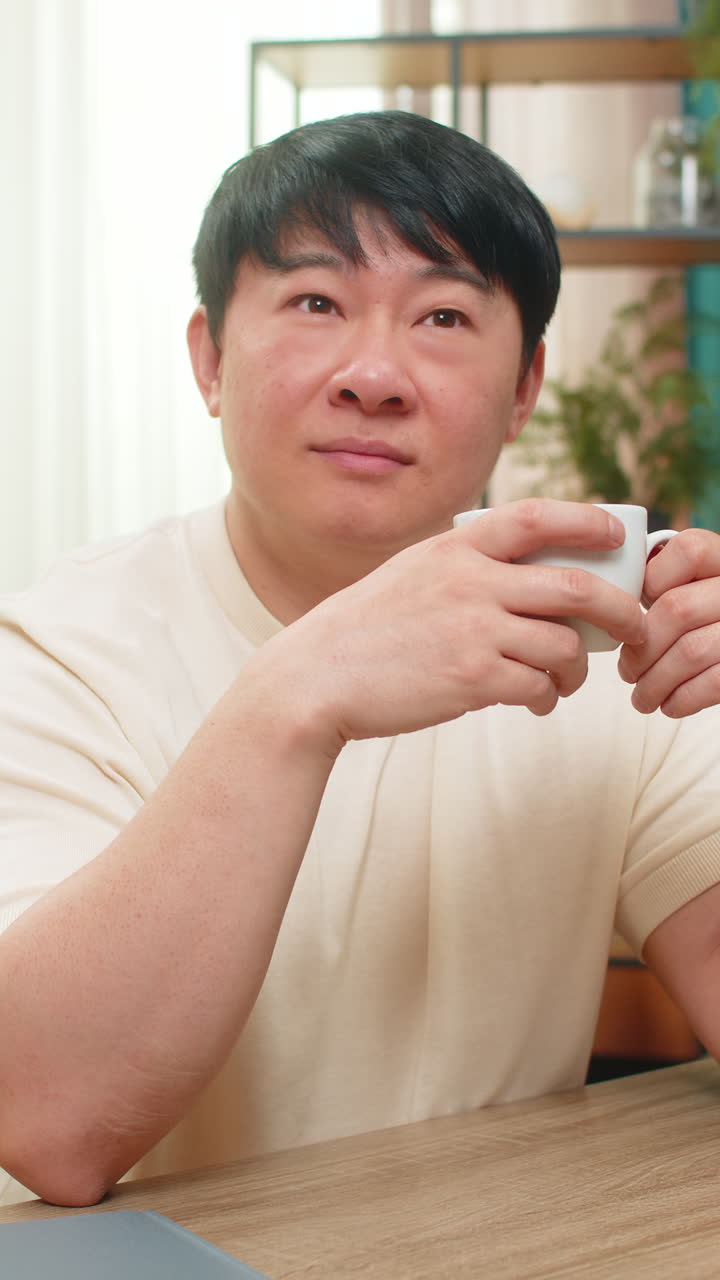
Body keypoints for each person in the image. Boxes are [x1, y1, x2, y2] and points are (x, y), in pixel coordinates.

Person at [1, 109, 720, 1210]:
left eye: (442, 315)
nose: (375, 373)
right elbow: (50, 1121)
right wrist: (301, 689)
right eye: (316, 302)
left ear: (525, 386)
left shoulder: (600, 632)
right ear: (209, 356)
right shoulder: (60, 651)